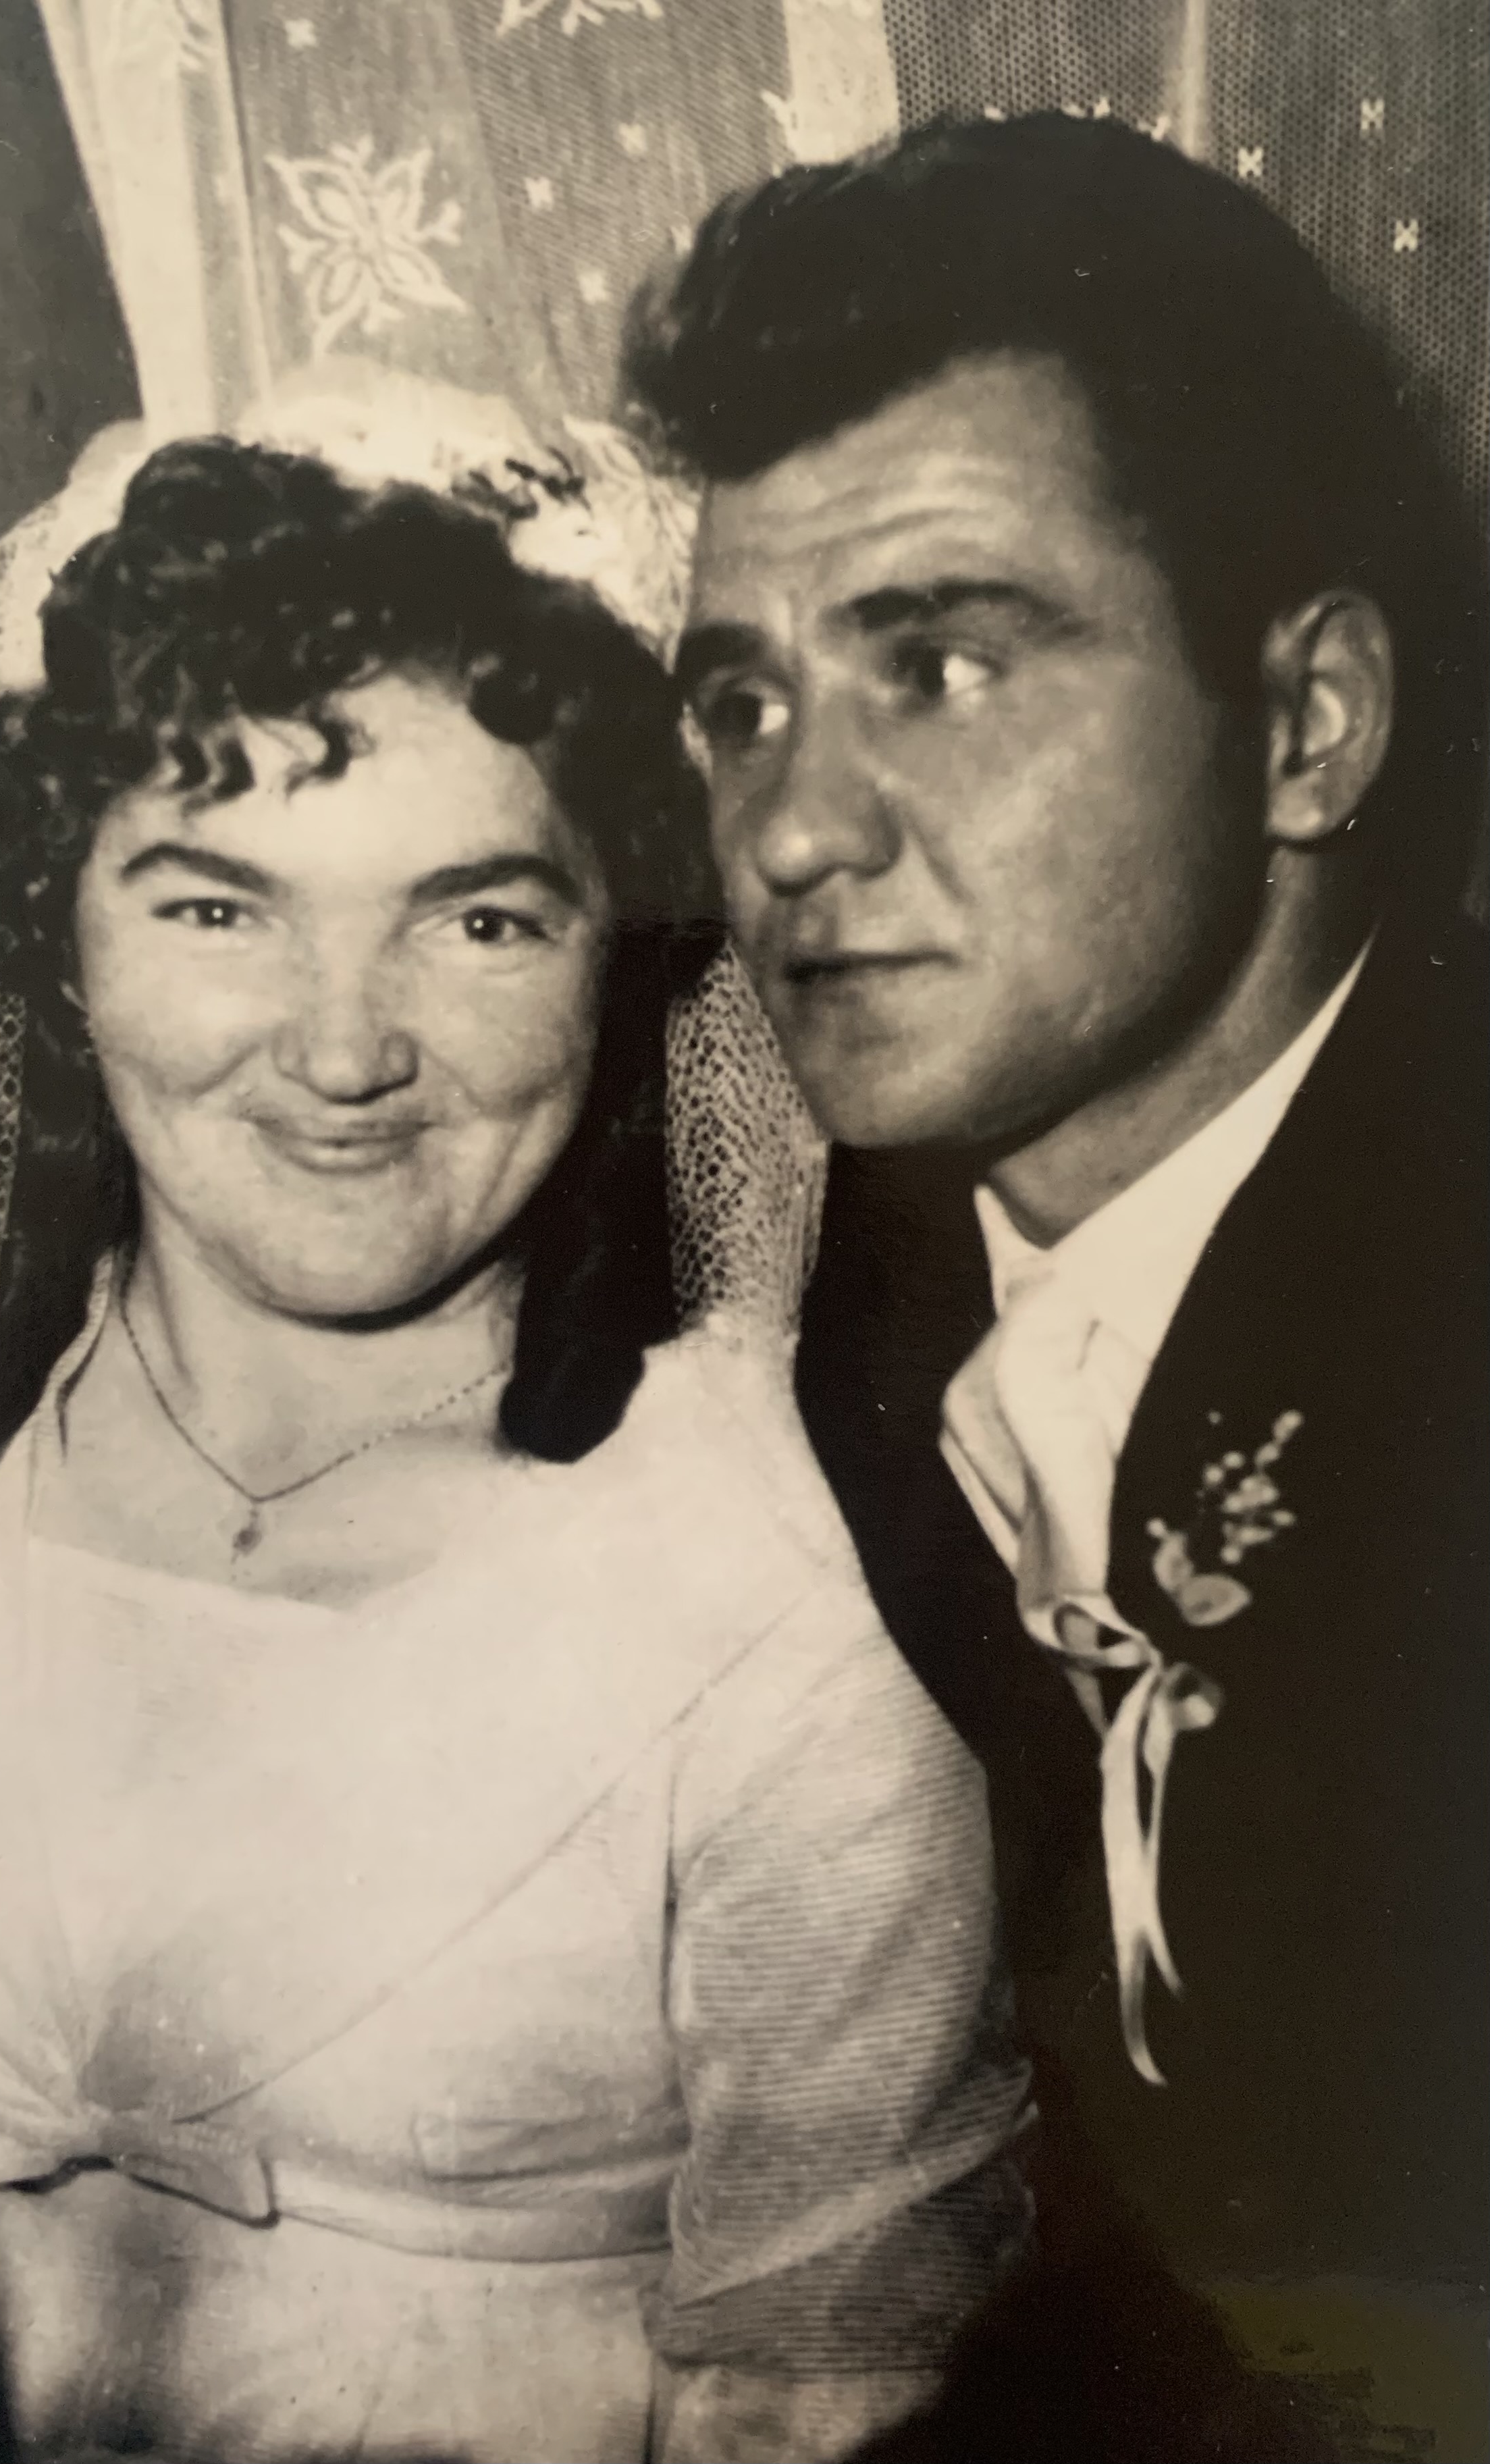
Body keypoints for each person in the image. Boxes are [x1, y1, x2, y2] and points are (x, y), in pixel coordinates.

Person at [0, 425, 1033, 2464]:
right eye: (220, 907)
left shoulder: (786, 1592)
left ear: (620, 951)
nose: (344, 1047)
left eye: (479, 922)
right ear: (58, 929)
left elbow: (837, 2392)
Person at [627, 111, 1489, 2457]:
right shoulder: (851, 1290)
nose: (795, 828)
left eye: (943, 661)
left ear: (1308, 725)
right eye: (740, 701)